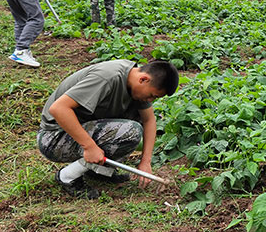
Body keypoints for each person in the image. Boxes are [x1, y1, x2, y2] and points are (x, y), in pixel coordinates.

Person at [37, 59, 179, 200]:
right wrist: (89, 146)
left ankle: (97, 172)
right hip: (53, 137)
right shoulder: (107, 77)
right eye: (152, 96)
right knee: (130, 131)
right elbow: (58, 108)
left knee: (134, 126)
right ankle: (68, 176)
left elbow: (149, 120)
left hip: (81, 129)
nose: (150, 101)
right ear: (143, 79)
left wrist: (146, 161)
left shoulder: (133, 81)